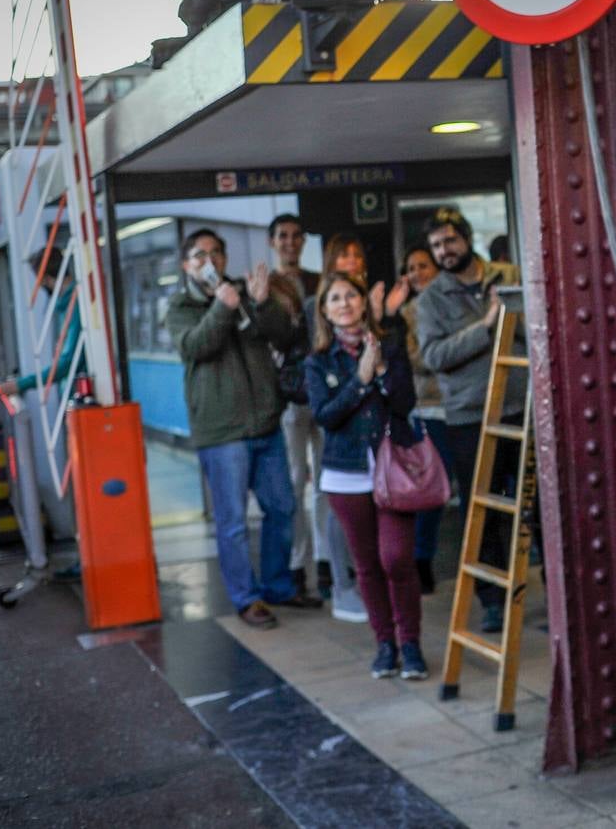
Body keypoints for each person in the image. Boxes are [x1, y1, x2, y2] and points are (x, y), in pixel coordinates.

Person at [166, 228, 319, 628]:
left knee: (282, 508)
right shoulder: (181, 306)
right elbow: (195, 347)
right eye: (200, 255)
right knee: (232, 522)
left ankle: (278, 586)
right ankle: (245, 598)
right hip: (222, 432)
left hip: (265, 423)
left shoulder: (244, 292)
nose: (210, 261)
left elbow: (281, 336)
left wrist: (264, 302)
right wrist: (221, 309)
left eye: (216, 253)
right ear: (187, 265)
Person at [303, 272, 428, 680]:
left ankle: (410, 643)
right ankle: (385, 645)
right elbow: (325, 416)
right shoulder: (317, 362)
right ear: (324, 310)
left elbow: (406, 401)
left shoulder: (388, 345)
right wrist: (360, 380)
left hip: (394, 469)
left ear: (362, 302)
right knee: (368, 564)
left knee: (397, 558)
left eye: (351, 296)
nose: (344, 303)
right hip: (346, 475)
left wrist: (381, 374)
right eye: (334, 298)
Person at [416, 209, 521, 632]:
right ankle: (492, 601)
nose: (444, 251)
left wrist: (508, 313)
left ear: (465, 239)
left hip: (523, 410)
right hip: (470, 418)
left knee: (533, 509)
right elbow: (434, 356)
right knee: (485, 515)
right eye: (436, 246)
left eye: (449, 241)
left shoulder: (504, 276)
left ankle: (552, 592)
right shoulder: (430, 299)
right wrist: (485, 326)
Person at [0, 243, 83, 582]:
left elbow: (67, 362)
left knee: (80, 488)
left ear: (44, 279)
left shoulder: (71, 304)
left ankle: (87, 558)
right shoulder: (67, 304)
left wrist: (24, 384)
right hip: (71, 404)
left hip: (78, 406)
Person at [265, 213, 324, 600]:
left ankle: (328, 562)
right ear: (273, 242)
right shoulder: (264, 286)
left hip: (322, 391)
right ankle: (296, 567)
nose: (290, 242)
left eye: (296, 236)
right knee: (292, 484)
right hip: (287, 395)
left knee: (326, 484)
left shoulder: (319, 282)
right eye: (283, 236)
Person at [399, 246, 456, 594]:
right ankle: (422, 557)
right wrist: (457, 352)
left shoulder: (455, 302)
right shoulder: (407, 313)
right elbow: (419, 359)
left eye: (424, 265)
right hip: (429, 408)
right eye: (412, 267)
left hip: (466, 405)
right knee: (434, 490)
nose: (418, 271)